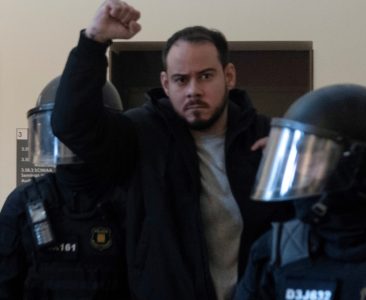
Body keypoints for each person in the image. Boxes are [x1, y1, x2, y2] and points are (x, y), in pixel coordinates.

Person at [51, 1, 294, 299]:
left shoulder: (268, 137)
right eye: (181, 79)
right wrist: (93, 41)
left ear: (228, 76)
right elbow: (71, 124)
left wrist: (300, 164)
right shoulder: (141, 135)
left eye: (205, 76)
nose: (193, 90)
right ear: (166, 84)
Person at [234, 83, 366, 300]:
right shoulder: (275, 251)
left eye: (313, 156)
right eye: (298, 156)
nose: (301, 169)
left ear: (357, 164)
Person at [0, 76, 130, 299]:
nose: (72, 141)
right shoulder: (23, 204)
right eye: (64, 129)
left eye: (82, 129)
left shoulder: (129, 201)